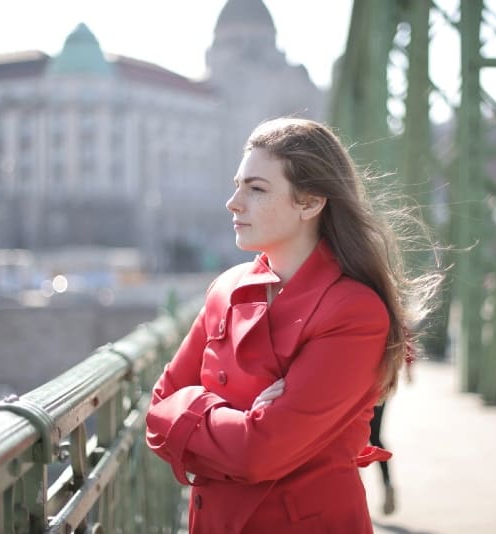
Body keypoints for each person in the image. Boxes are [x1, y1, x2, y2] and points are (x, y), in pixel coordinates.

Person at [146, 117, 425, 533]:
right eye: (238, 184)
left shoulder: (354, 312)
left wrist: (192, 413)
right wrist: (241, 419)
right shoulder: (227, 288)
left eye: (256, 189)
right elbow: (156, 413)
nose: (233, 202)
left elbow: (256, 455)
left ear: (310, 203)